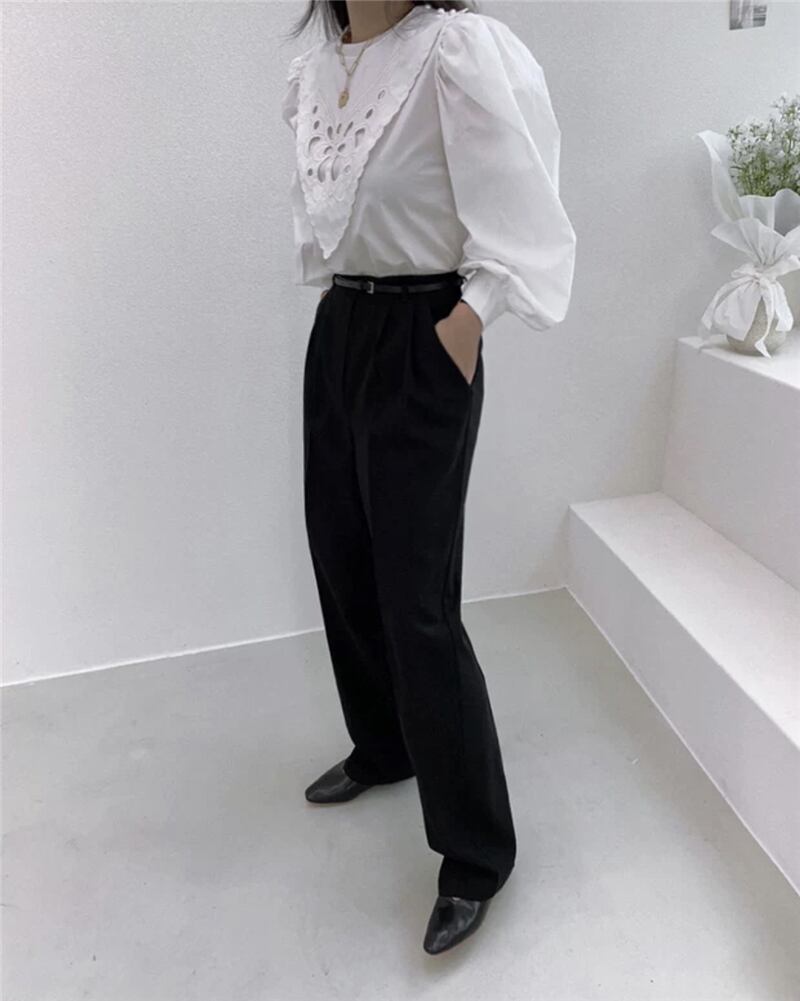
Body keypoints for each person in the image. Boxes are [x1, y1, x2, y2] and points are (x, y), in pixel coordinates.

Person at [281, 0, 576, 955]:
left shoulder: (457, 50)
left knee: (417, 599)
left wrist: (472, 314)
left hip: (426, 331)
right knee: (341, 556)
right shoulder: (318, 68)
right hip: (343, 329)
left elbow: (527, 202)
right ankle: (384, 743)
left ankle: (476, 852)